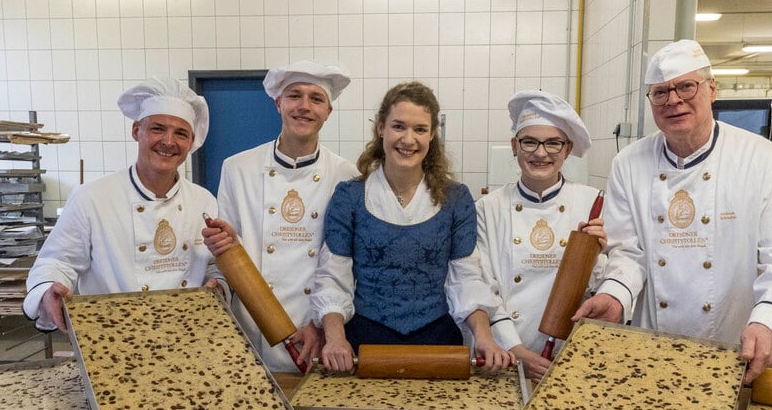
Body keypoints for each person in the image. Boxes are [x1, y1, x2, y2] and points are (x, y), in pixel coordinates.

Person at [574, 39, 772, 384]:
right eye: (660, 92)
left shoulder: (762, 159)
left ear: (712, 89)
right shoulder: (628, 163)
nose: (673, 100)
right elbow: (628, 253)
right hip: (652, 350)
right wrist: (614, 295)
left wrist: (769, 322)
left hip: (738, 351)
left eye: (686, 86)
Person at [311, 81, 514, 372]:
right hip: (363, 343)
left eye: (420, 129)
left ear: (432, 135)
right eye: (398, 126)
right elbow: (333, 276)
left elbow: (466, 278)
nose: (408, 139)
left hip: (438, 340)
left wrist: (485, 337)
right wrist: (334, 339)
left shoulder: (456, 198)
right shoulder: (350, 197)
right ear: (380, 127)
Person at [24, 76, 224, 332]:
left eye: (181, 133)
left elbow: (210, 265)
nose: (169, 141)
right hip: (111, 336)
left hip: (184, 337)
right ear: (135, 131)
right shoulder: (92, 197)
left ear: (191, 143)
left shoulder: (203, 200)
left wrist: (218, 283)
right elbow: (58, 262)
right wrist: (47, 291)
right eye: (157, 128)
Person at [202, 60, 357, 372]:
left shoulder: (347, 175)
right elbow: (226, 254)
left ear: (328, 111)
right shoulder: (237, 169)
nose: (304, 106)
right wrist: (215, 280)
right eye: (294, 96)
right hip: (252, 333)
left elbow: (346, 264)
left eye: (316, 99)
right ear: (277, 104)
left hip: (316, 333)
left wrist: (320, 326)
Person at [476, 90, 606, 382]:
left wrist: (598, 257)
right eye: (529, 141)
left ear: (568, 148)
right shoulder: (488, 207)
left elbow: (600, 287)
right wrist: (516, 349)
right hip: (505, 353)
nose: (540, 153)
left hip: (569, 355)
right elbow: (484, 286)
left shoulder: (593, 203)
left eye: (553, 143)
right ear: (514, 146)